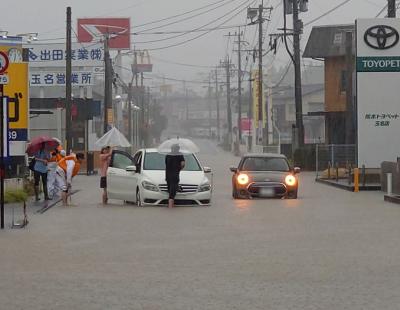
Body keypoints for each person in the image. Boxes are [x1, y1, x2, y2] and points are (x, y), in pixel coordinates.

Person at [165, 144, 185, 208]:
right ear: (178, 149)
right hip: (175, 176)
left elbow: (166, 164)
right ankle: (171, 207)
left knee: (170, 190)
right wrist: (179, 168)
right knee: (172, 194)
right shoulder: (180, 155)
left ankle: (170, 206)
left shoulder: (168, 155)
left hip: (168, 176)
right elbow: (183, 164)